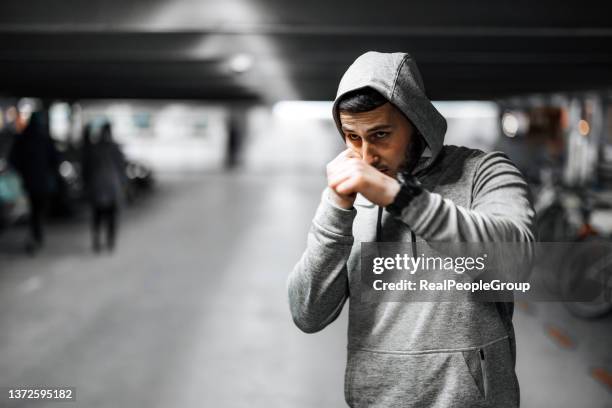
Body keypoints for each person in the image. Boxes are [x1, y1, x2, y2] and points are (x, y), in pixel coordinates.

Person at [287, 52, 535, 407]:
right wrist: (335, 207)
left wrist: (403, 199)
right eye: (352, 137)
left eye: (381, 135)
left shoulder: (484, 172)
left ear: (417, 122)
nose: (367, 156)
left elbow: (515, 262)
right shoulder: (351, 195)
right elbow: (307, 313)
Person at [8, 111, 60, 253]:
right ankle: (36, 235)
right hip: (40, 182)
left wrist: (23, 172)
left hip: (30, 181)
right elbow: (55, 159)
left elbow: (13, 159)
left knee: (34, 210)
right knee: (37, 210)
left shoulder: (24, 137)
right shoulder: (43, 138)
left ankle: (35, 235)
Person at [81, 122, 126, 253]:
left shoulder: (94, 148)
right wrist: (123, 185)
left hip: (97, 188)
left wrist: (86, 185)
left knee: (97, 216)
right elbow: (121, 169)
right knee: (111, 216)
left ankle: (97, 241)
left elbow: (86, 169)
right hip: (112, 187)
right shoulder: (115, 148)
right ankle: (109, 241)